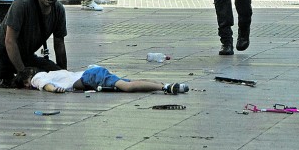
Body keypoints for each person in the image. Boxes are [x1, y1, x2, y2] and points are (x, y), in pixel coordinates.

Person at [15, 65, 188, 94]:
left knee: (127, 87)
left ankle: (165, 87)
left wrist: (55, 90)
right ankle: (164, 85)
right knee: (127, 84)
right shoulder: (49, 73)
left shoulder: (37, 78)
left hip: (90, 77)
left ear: (26, 81)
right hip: (91, 75)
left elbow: (46, 86)